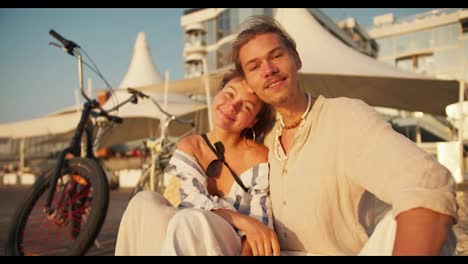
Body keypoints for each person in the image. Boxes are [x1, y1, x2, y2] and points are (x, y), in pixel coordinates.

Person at [227, 15, 458, 255]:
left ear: (296, 59)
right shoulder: (261, 140)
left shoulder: (344, 117)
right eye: (254, 66)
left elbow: (427, 180)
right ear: (249, 83)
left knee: (407, 219)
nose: (268, 70)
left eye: (276, 56)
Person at [115, 70, 279, 256]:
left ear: (253, 121)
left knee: (189, 219)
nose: (233, 105)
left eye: (247, 107)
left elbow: (260, 225)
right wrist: (241, 220)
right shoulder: (191, 145)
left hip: (231, 242)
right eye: (229, 94)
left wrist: (245, 231)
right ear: (218, 94)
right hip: (188, 235)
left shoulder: (258, 155)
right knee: (143, 201)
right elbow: (192, 200)